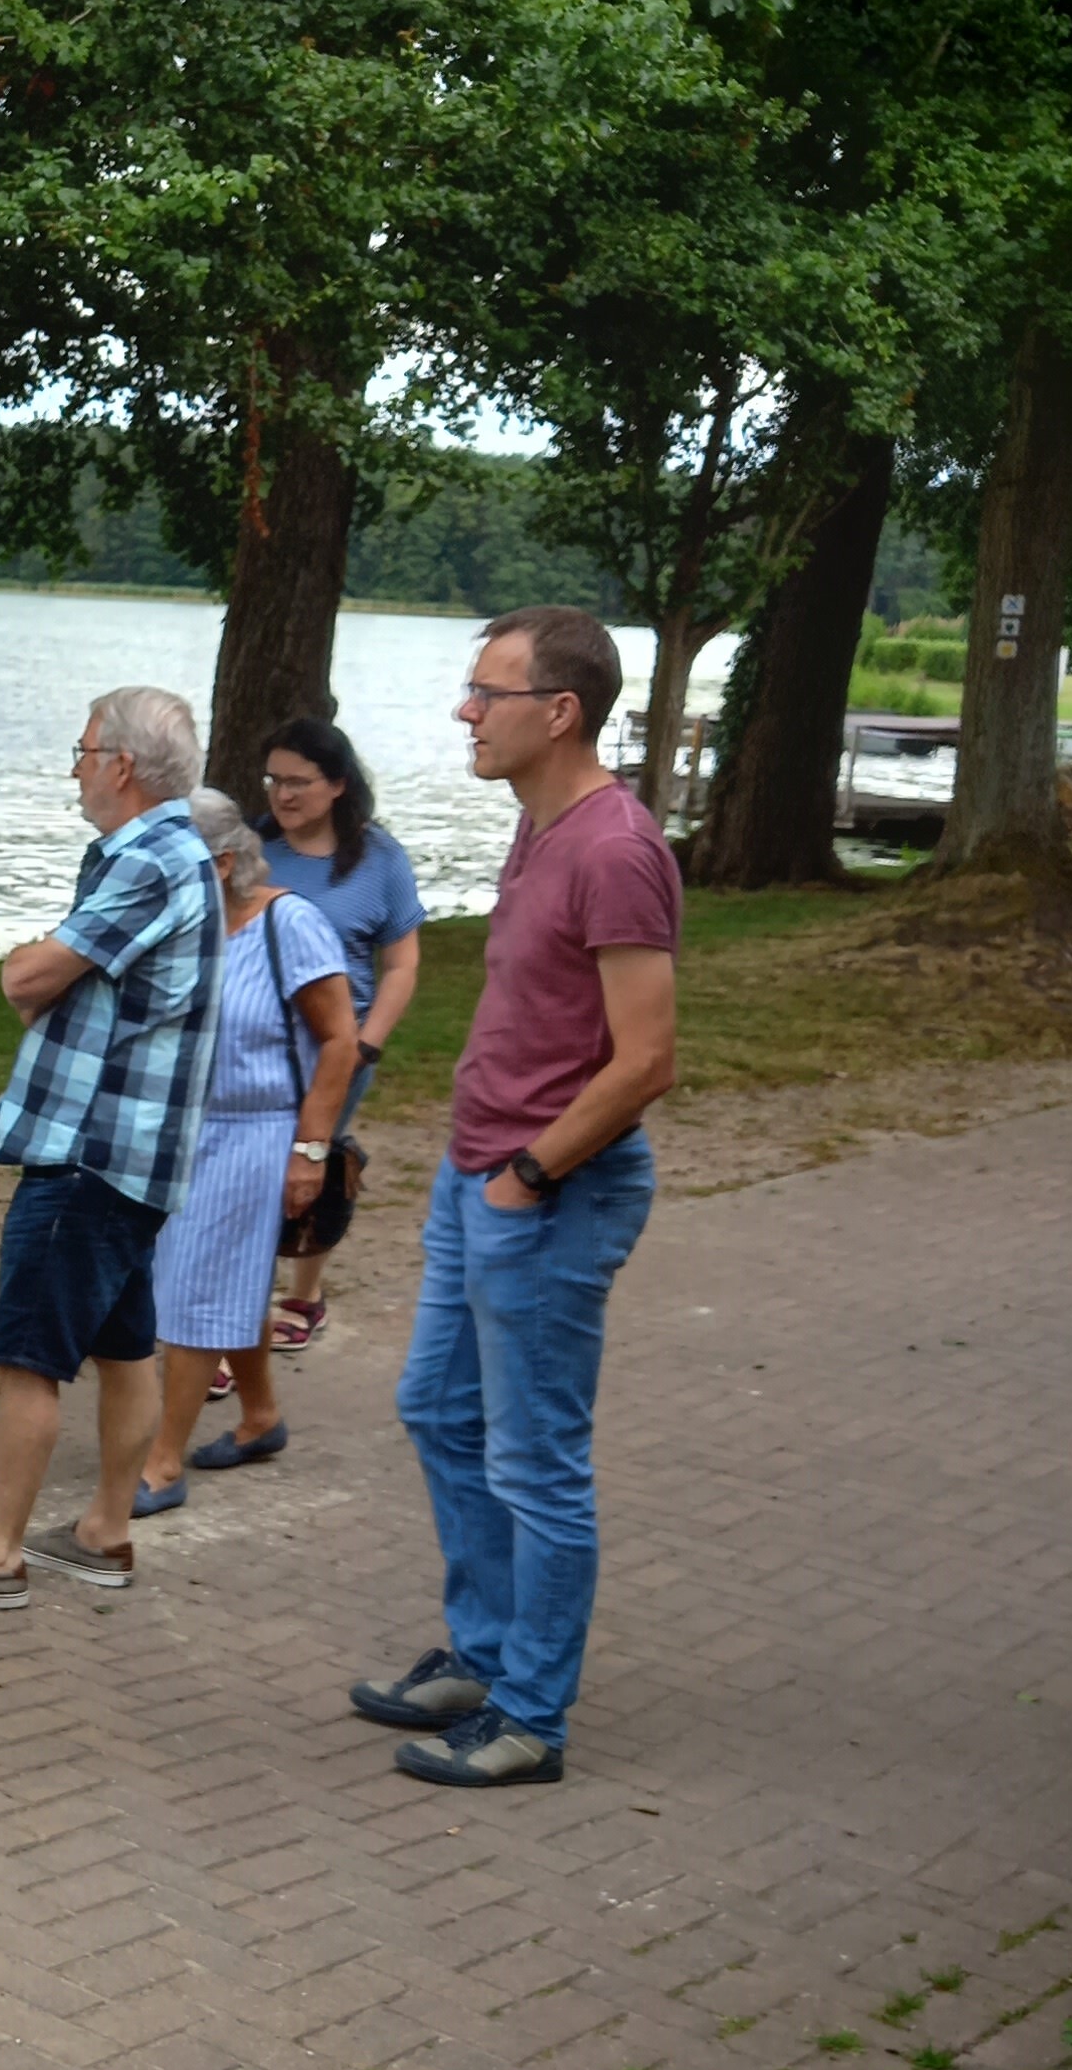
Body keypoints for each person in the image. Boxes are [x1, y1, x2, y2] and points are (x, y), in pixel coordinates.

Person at [354, 606, 679, 1787]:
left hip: (547, 1192)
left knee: (536, 1461)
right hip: (478, 1179)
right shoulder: (540, 827)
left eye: (489, 693)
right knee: (439, 1410)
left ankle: (529, 1716)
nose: (465, 711)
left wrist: (527, 1175)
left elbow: (645, 1060)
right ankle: (485, 1654)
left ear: (561, 711)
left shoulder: (614, 849)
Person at [0, 687, 221, 1610]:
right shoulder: (177, 855)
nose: (74, 769)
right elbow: (56, 985)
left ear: (122, 766)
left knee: (28, 1352)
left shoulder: (149, 860)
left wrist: (35, 970)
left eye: (83, 751)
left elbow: (29, 977)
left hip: (90, 1152)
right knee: (123, 1345)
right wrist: (50, 978)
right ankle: (105, 1531)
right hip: (134, 1158)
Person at [133, 790, 359, 1515]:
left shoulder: (290, 925)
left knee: (197, 1287)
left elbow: (340, 1041)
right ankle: (260, 1415)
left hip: (259, 1131)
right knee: (221, 1279)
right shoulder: (185, 928)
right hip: (188, 1131)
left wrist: (310, 1149)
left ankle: (163, 1462)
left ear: (223, 863)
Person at [255, 717, 424, 1357]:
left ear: (337, 785)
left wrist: (366, 1043)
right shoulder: (251, 851)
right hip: (255, 1047)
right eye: (273, 780)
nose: (283, 794)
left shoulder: (379, 859)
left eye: (299, 782)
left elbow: (402, 965)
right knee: (256, 1169)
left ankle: (303, 1294)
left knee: (310, 1157)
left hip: (341, 1049)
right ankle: (243, 1317)